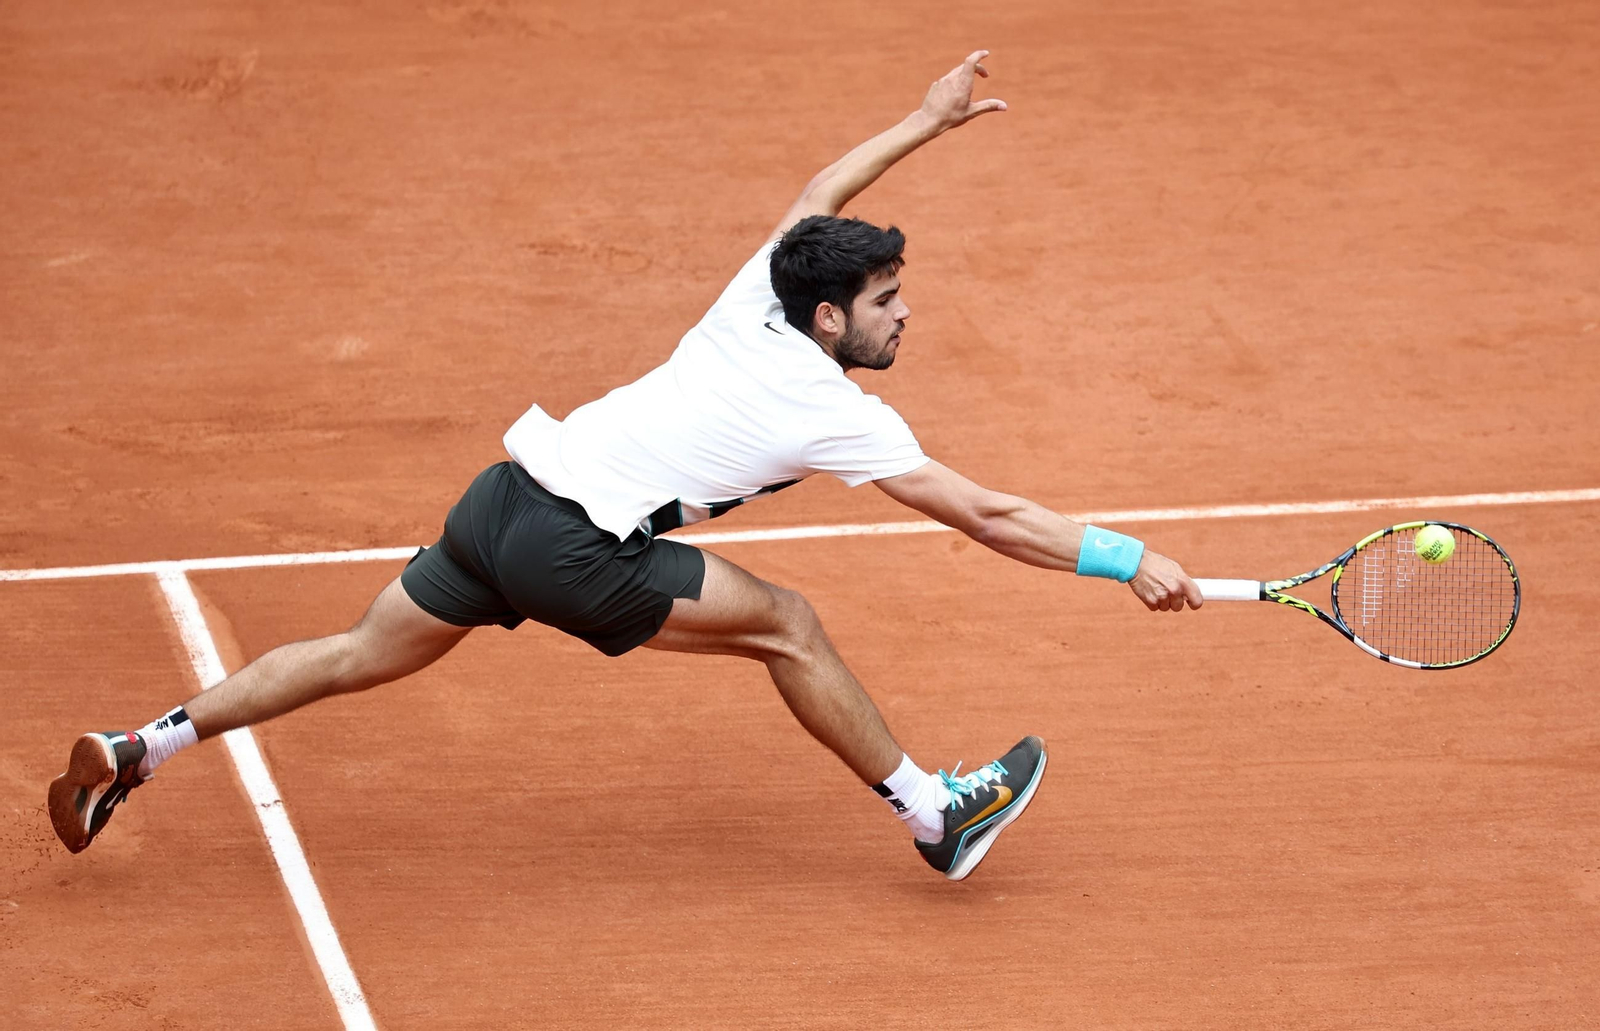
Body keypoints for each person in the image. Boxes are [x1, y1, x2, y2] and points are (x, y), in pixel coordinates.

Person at [48, 51, 1202, 881]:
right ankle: (933, 815)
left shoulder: (763, 291)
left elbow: (819, 199)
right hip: (575, 547)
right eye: (884, 301)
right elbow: (988, 514)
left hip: (500, 501)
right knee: (788, 624)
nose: (904, 315)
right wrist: (1126, 556)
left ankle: (142, 745)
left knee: (356, 651)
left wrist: (924, 120)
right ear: (827, 318)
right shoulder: (832, 410)